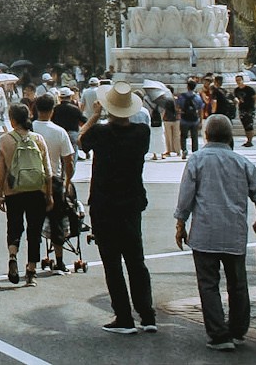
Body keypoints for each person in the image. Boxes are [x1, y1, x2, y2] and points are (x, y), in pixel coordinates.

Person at [175, 114, 256, 352]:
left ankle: (218, 334)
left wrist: (181, 224)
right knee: (238, 284)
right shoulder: (242, 162)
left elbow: (186, 196)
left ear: (206, 135)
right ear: (229, 137)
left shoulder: (197, 159)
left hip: (205, 232)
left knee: (208, 283)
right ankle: (237, 330)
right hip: (234, 232)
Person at [80, 80, 156, 335]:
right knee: (136, 260)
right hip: (131, 201)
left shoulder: (100, 133)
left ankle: (123, 316)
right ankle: (147, 314)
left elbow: (81, 140)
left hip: (105, 202)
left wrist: (95, 115)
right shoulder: (141, 133)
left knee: (112, 263)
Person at [0, 102, 54, 286]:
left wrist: (0, 194)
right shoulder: (38, 138)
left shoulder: (5, 140)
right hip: (36, 190)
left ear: (12, 120)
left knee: (14, 226)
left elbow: (0, 171)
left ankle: (13, 256)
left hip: (13, 190)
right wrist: (49, 194)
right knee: (34, 231)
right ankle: (31, 271)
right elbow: (48, 170)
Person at [30, 94, 76, 275]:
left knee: (33, 223)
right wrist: (68, 181)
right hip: (54, 180)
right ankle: (59, 260)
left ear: (35, 108)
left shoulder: (29, 129)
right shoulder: (59, 131)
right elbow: (69, 161)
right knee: (57, 221)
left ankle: (32, 262)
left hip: (31, 180)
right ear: (53, 110)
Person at [176, 80, 205, 157]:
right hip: (194, 120)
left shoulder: (182, 96)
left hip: (184, 119)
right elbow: (201, 109)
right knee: (194, 137)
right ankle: (195, 152)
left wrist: (179, 113)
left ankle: (184, 150)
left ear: (187, 87)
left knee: (183, 136)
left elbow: (177, 107)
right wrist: (201, 120)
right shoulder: (197, 97)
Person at [233, 76, 256, 147]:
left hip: (249, 109)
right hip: (242, 109)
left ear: (243, 80)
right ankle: (248, 140)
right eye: (237, 80)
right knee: (245, 125)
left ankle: (250, 140)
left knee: (249, 125)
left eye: (239, 80)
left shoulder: (249, 89)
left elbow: (254, 97)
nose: (238, 81)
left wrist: (253, 106)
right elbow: (236, 98)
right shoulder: (236, 90)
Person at [158, 89, 181, 160]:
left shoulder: (165, 100)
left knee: (168, 136)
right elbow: (179, 109)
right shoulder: (176, 99)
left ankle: (169, 150)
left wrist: (162, 117)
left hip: (167, 119)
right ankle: (178, 151)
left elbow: (163, 110)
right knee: (176, 136)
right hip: (176, 119)